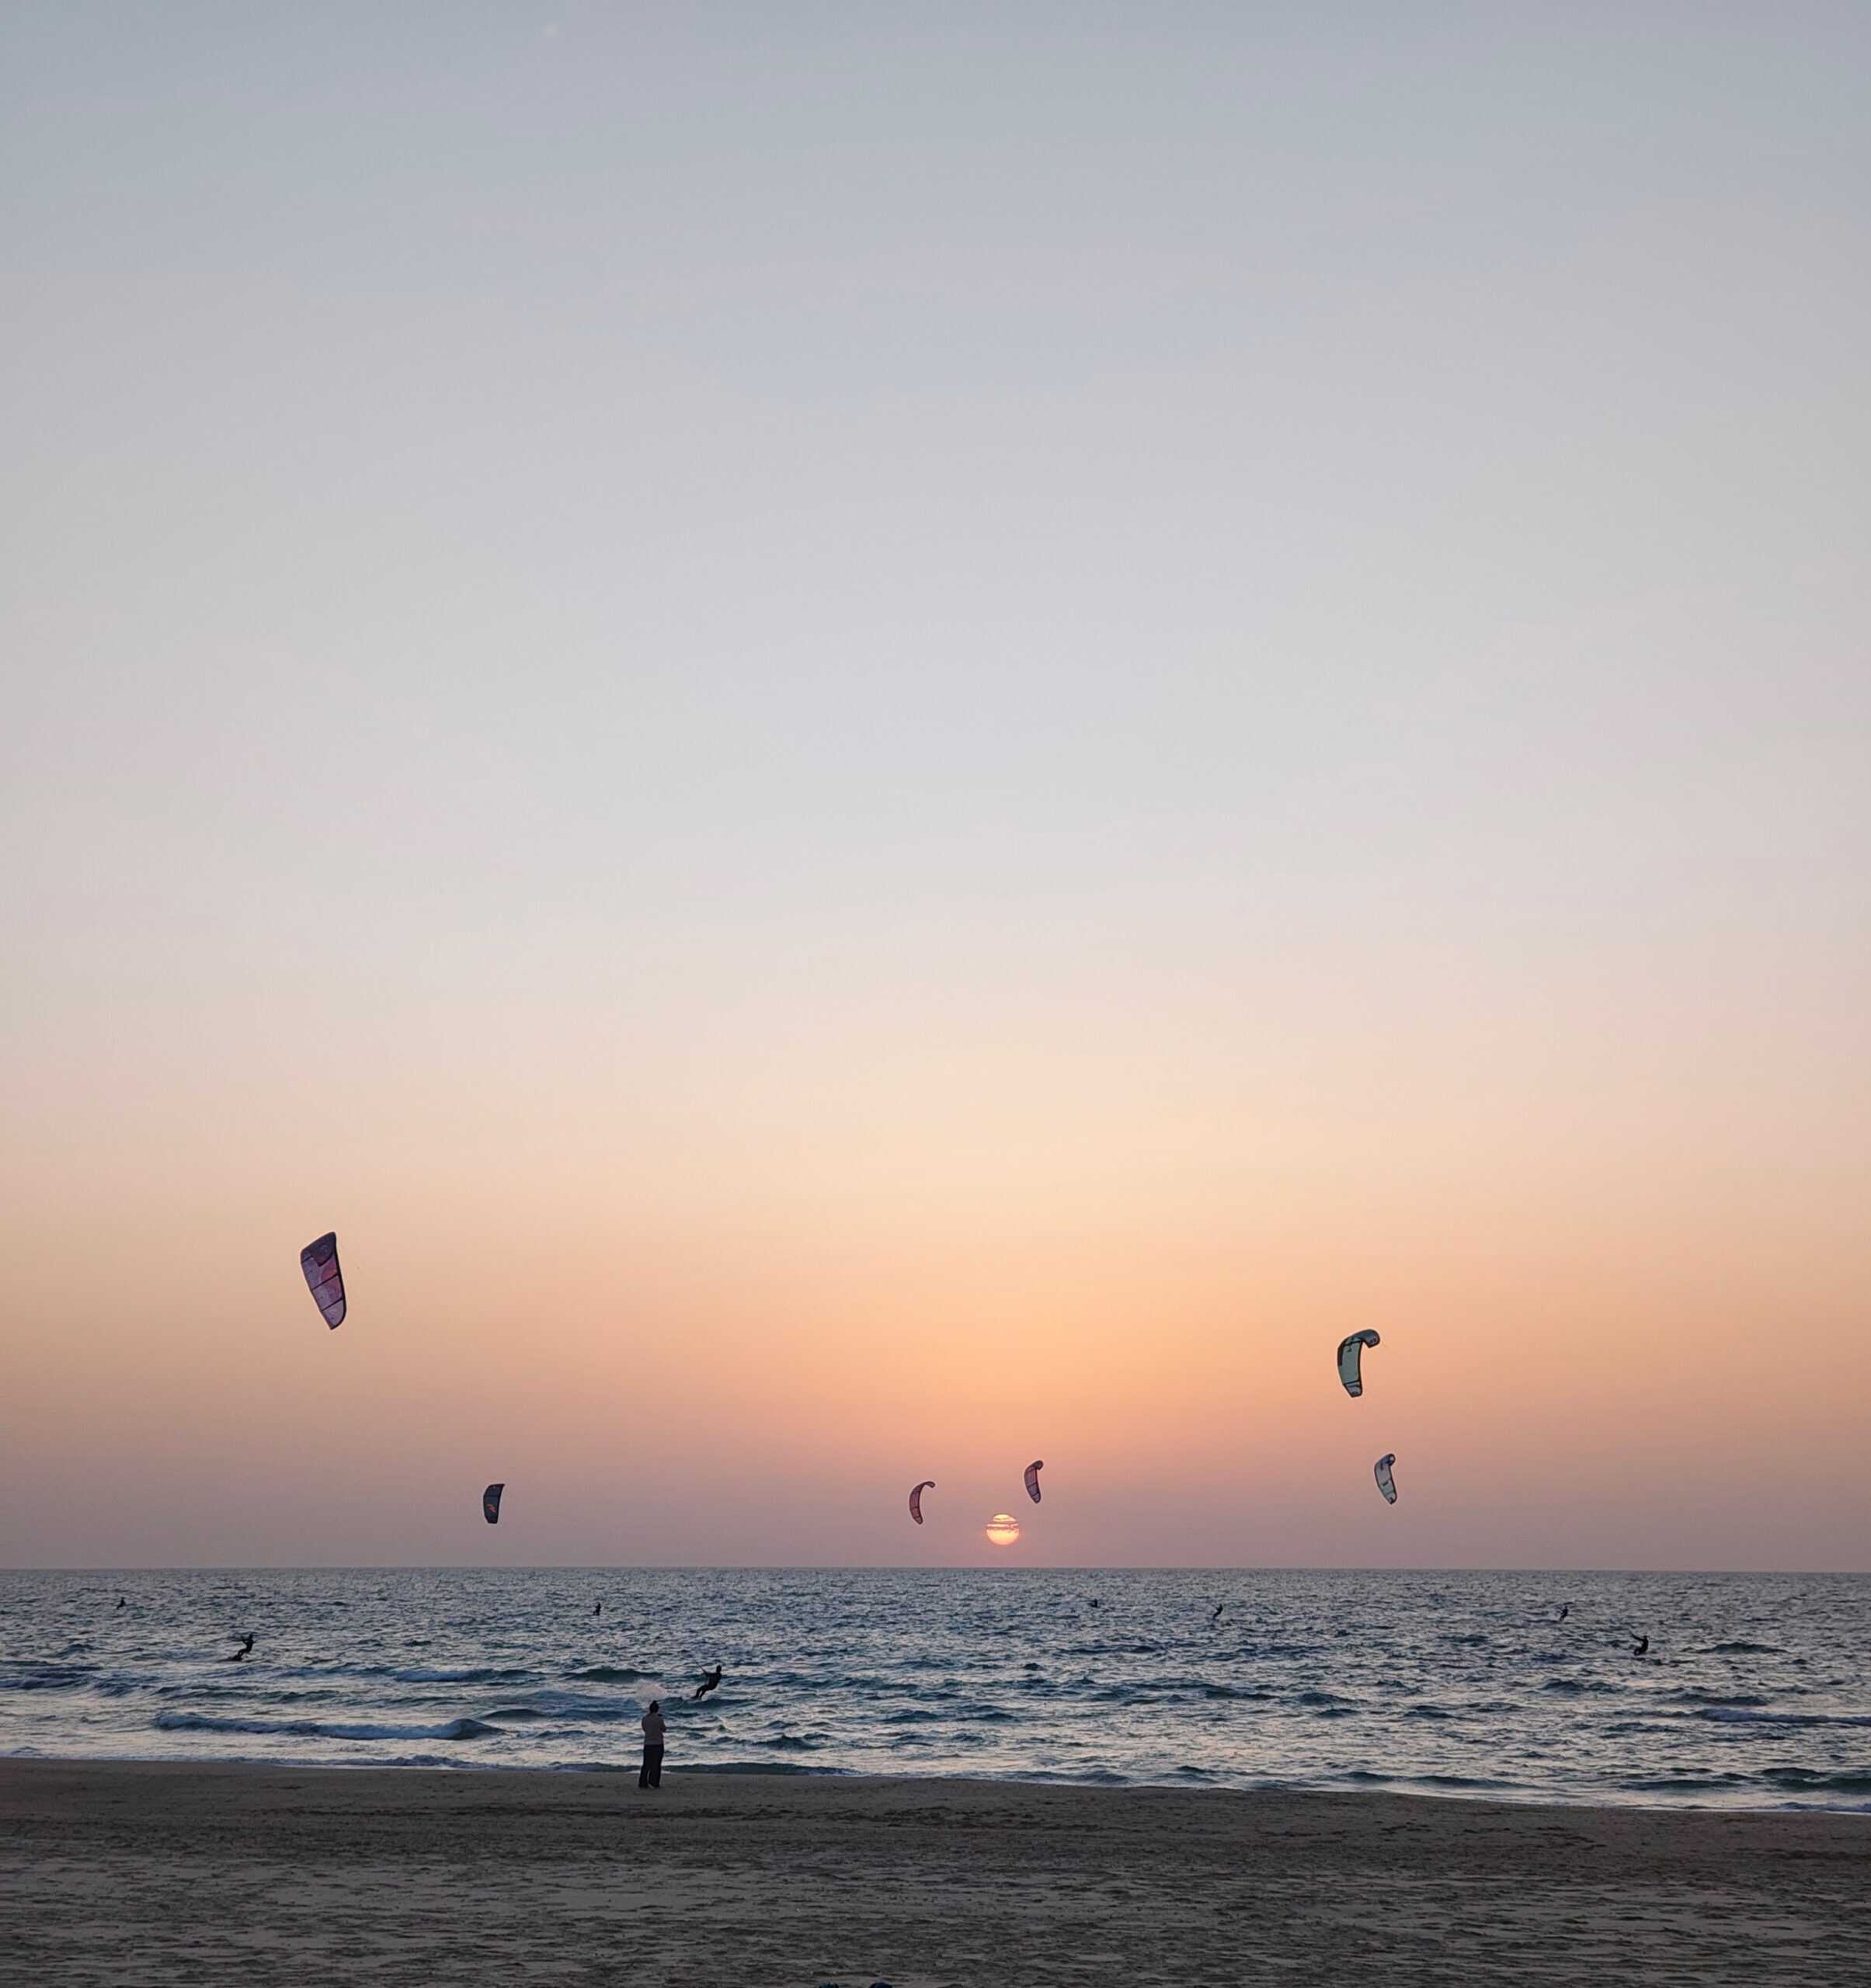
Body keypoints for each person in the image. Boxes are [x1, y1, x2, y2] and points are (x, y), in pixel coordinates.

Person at [638, 1700, 666, 1788]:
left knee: (646, 1764)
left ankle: (643, 1782)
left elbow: (644, 1729)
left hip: (648, 1743)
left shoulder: (645, 1719)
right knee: (656, 1764)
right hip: (658, 1744)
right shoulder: (659, 1719)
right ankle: (654, 1782)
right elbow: (664, 1729)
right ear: (657, 1710)